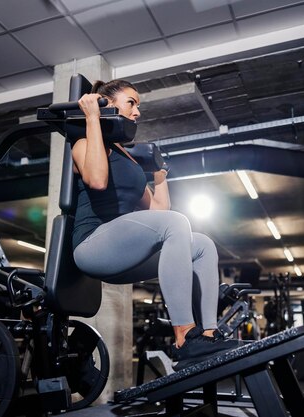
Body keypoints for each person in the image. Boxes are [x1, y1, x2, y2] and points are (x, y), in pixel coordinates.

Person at [71, 79, 228, 366]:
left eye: (138, 105)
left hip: (121, 253)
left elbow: (158, 213)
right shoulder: (84, 143)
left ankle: (208, 334)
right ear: (109, 104)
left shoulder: (128, 159)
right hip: (93, 246)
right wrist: (93, 116)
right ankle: (184, 336)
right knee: (176, 222)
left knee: (202, 244)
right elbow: (96, 180)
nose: (137, 111)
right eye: (131, 102)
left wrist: (159, 175)